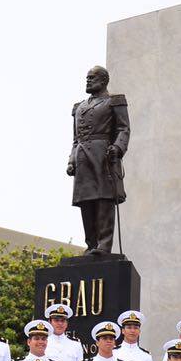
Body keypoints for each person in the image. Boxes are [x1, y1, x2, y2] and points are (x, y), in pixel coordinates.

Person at [67, 64, 130, 255]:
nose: (87, 80)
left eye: (92, 77)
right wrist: (71, 160)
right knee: (86, 201)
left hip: (103, 156)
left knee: (104, 199)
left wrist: (117, 148)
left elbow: (123, 129)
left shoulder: (114, 102)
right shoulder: (79, 107)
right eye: (87, 77)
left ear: (103, 80)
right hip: (82, 158)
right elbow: (76, 139)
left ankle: (104, 245)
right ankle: (91, 244)